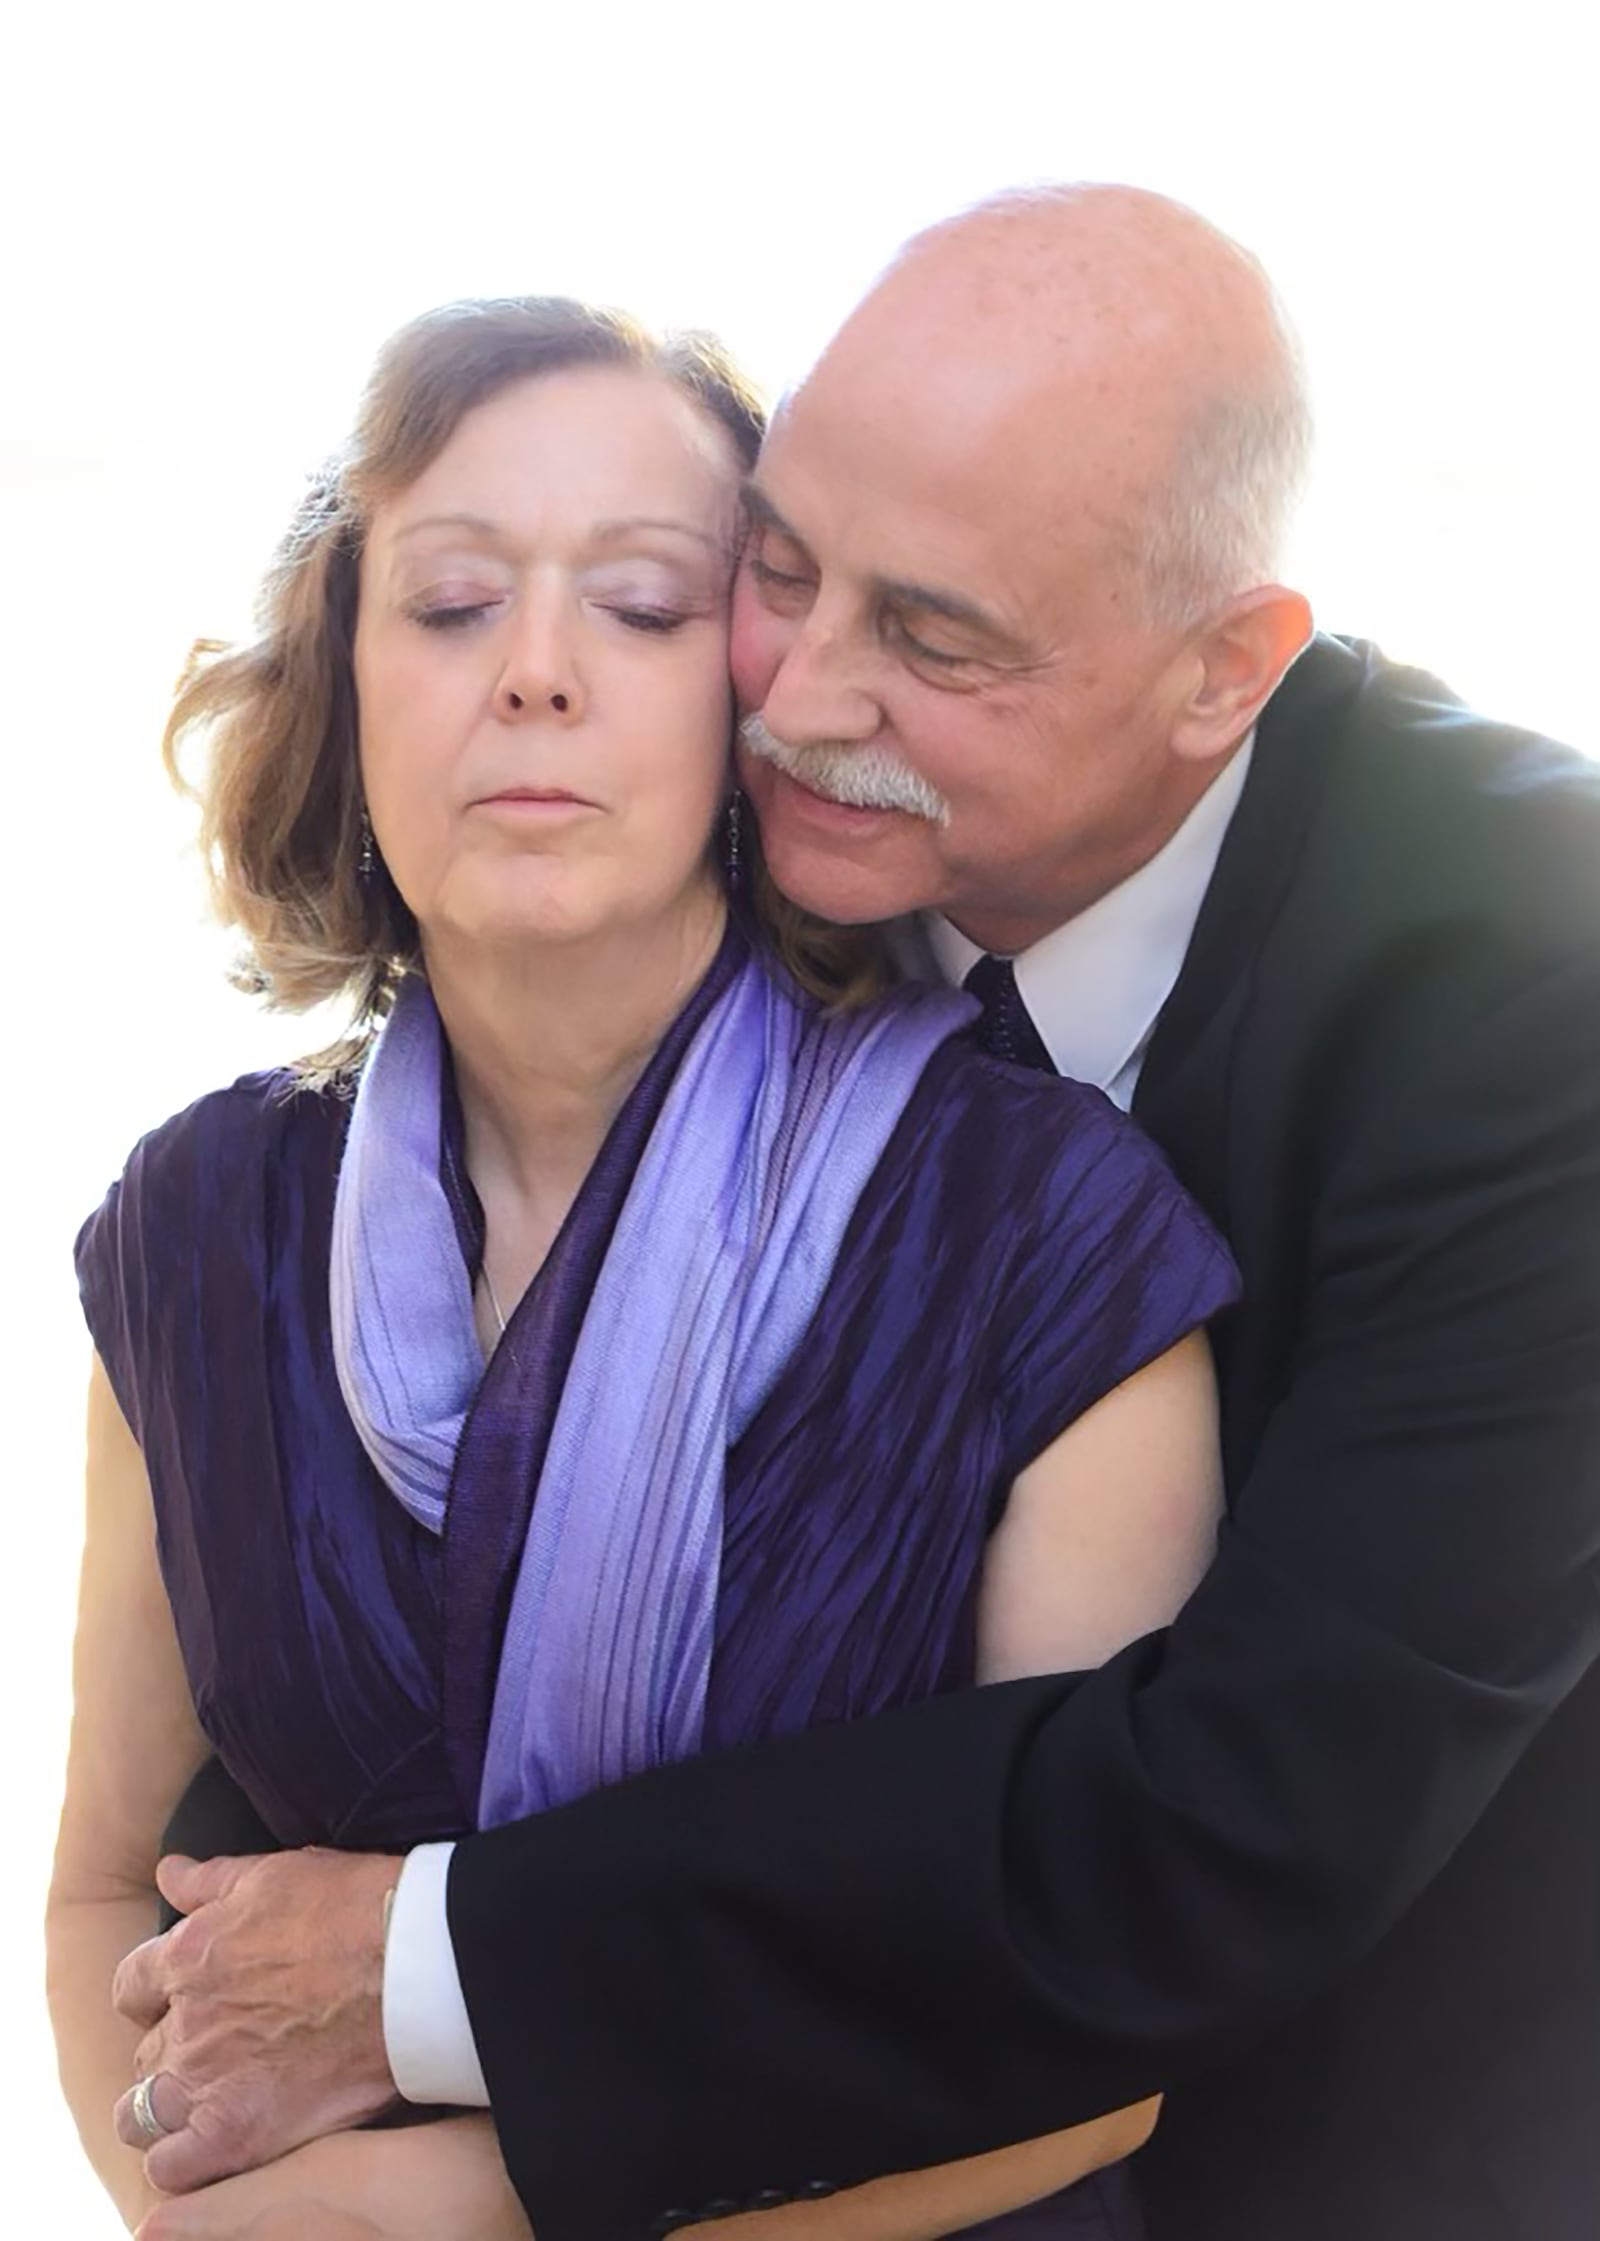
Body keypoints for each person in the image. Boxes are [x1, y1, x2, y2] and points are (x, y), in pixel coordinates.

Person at [107, 185, 1600, 2241]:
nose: (792, 695)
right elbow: (231, 1806)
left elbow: (1213, 1834)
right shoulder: (743, 915)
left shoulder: (1542, 989)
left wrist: (434, 2022)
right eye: (773, 568)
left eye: (927, 636)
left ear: (1215, 673)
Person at [48, 290, 1243, 2240]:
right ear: (345, 684)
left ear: (759, 696)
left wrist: (467, 2213)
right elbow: (106, 1889)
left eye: (641, 602)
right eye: (447, 603)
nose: (533, 672)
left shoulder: (1038, 1230)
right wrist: (174, 2197)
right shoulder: (198, 1235)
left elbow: (1094, 2027)